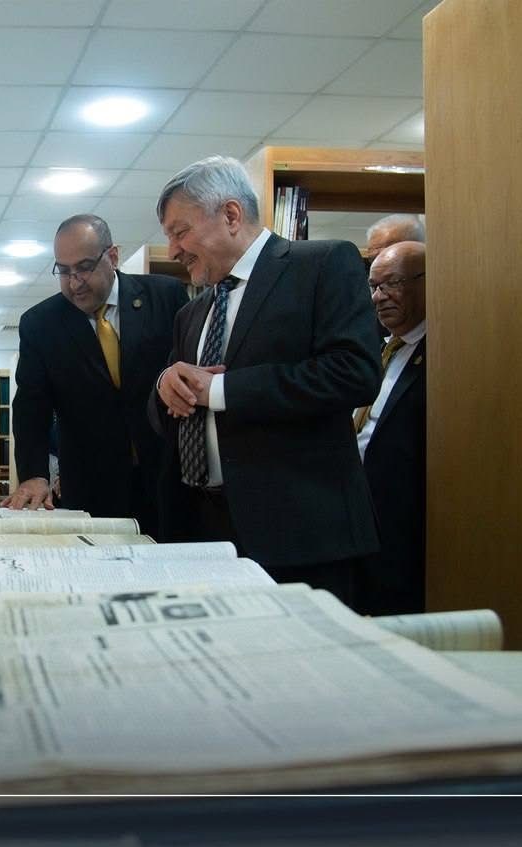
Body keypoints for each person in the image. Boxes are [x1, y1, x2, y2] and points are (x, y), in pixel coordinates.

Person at [150, 156, 382, 600]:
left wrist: (221, 390)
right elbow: (173, 404)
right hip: (205, 533)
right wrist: (165, 386)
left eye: (180, 232)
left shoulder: (322, 265)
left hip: (300, 537)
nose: (174, 250)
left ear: (231, 215)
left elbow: (354, 372)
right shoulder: (191, 313)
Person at [3, 214, 188, 536]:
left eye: (85, 267)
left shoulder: (165, 296)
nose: (74, 282)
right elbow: (31, 407)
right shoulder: (41, 324)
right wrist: (34, 475)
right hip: (91, 489)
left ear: (112, 256)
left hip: (169, 479)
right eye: (64, 271)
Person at [354, 241, 428, 615]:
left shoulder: (446, 351)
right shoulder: (374, 348)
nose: (379, 297)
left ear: (428, 281)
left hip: (405, 524)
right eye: (374, 286)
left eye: (392, 284)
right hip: (359, 516)